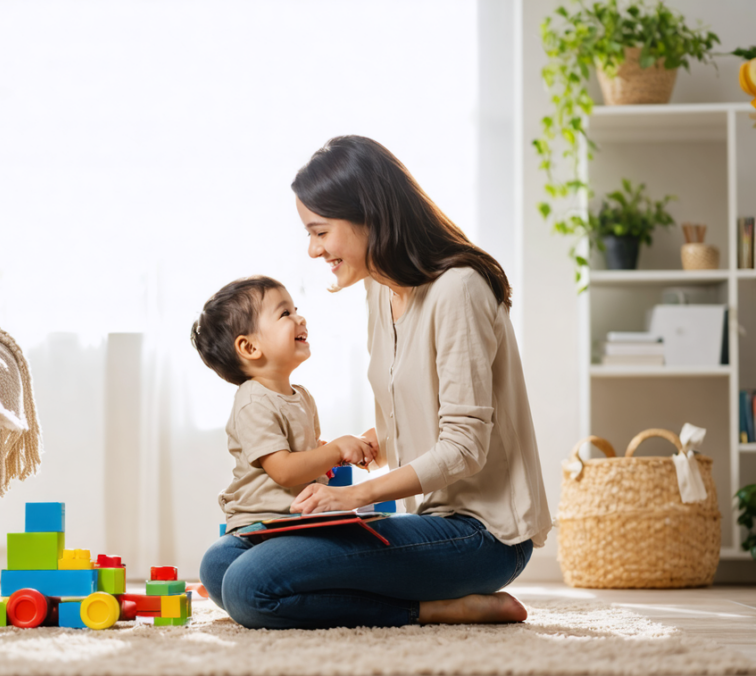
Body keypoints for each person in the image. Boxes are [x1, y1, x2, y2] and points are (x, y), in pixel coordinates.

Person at [198, 135, 551, 629]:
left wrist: (353, 497)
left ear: (367, 215)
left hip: (481, 537)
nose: (313, 249)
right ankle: (427, 599)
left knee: (249, 585)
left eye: (320, 232)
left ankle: (437, 609)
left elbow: (466, 447)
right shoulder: (378, 291)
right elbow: (418, 419)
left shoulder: (459, 289)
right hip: (428, 521)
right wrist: (371, 444)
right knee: (220, 564)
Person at [190, 276, 377, 534]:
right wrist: (335, 449)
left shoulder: (301, 397)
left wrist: (344, 451)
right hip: (261, 525)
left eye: (296, 311)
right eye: (285, 313)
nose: (301, 319)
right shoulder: (253, 401)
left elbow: (305, 453)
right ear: (250, 346)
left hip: (299, 520)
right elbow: (285, 471)